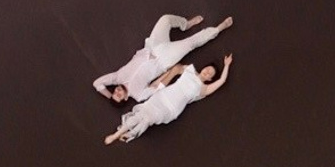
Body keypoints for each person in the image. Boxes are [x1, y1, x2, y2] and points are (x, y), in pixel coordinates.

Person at [93, 12, 233, 103]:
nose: (117, 91)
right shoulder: (138, 95)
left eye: (115, 92)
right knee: (191, 43)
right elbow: (158, 87)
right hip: (163, 60)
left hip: (151, 46)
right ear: (124, 98)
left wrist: (109, 96)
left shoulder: (117, 77)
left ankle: (185, 24)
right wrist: (171, 72)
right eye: (118, 95)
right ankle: (218, 29)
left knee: (165, 19)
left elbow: (97, 83)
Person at [105, 54, 233, 143]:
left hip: (171, 108)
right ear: (203, 68)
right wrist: (159, 82)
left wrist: (226, 65)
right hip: (161, 96)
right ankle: (115, 135)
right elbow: (174, 68)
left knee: (148, 119)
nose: (208, 72)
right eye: (207, 69)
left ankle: (129, 134)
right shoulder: (189, 70)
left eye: (210, 74)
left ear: (210, 79)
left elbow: (221, 81)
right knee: (140, 115)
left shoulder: (203, 89)